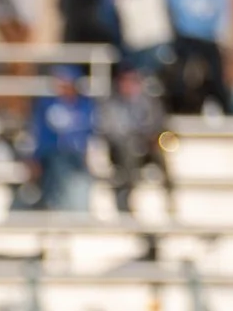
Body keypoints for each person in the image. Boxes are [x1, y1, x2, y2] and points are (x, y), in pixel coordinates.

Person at [96, 64, 170, 218]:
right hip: (121, 149)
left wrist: (149, 138)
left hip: (145, 147)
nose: (129, 85)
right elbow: (109, 130)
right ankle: (127, 199)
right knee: (129, 151)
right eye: (125, 81)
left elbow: (158, 125)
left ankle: (169, 196)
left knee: (161, 150)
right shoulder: (111, 104)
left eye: (132, 80)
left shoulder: (150, 102)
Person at [29, 71, 95, 214]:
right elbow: (41, 136)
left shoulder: (85, 105)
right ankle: (59, 209)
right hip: (55, 156)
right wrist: (36, 157)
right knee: (60, 167)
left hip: (78, 156)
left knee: (78, 176)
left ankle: (76, 212)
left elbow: (90, 133)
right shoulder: (47, 105)